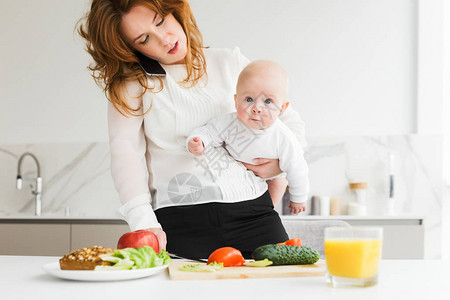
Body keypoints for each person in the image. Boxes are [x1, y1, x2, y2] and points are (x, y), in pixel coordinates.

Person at [77, 0, 307, 259]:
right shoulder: (133, 84)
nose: (164, 39)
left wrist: (278, 165)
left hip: (256, 214)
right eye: (144, 39)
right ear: (130, 49)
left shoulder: (229, 62)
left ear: (175, 10)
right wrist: (142, 220)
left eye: (161, 21)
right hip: (181, 221)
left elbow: (290, 123)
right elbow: (125, 151)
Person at [187, 60, 309, 214]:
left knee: (279, 181)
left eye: (268, 101)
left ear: (282, 108)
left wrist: (298, 198)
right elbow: (209, 131)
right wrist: (199, 141)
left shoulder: (284, 137)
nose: (257, 108)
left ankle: (265, 213)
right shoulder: (229, 123)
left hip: (273, 176)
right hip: (238, 176)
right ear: (236, 101)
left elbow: (297, 168)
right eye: (249, 99)